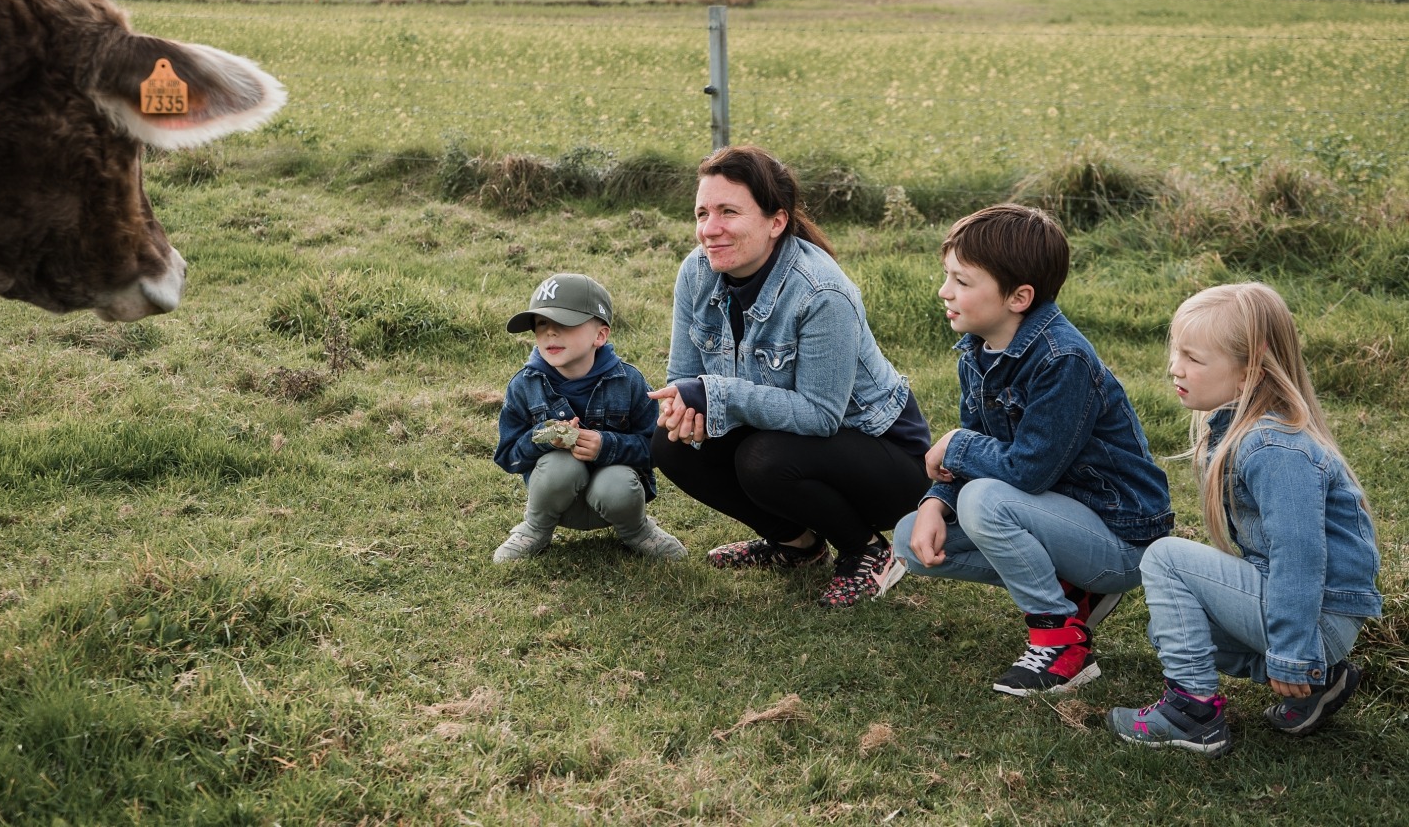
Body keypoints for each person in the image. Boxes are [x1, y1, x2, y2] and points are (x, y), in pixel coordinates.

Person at [893, 204, 1172, 694]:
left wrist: (957, 444)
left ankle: (1064, 642)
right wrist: (937, 501)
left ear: (1019, 297)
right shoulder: (978, 349)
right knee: (910, 539)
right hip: (1054, 518)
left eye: (961, 280)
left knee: (987, 500)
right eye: (946, 277)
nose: (944, 291)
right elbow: (982, 449)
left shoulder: (1063, 360)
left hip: (1119, 539)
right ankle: (1073, 590)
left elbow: (1026, 471)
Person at [648, 145, 933, 607]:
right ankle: (798, 546)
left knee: (761, 458)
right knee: (670, 443)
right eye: (702, 213)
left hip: (885, 459)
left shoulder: (821, 291)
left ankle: (869, 552)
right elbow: (684, 377)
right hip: (791, 442)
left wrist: (715, 393)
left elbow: (821, 416)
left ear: (776, 222)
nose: (709, 229)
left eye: (728, 212)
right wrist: (684, 407)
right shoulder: (696, 272)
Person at [1108, 283, 1381, 755]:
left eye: (1194, 357)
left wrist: (1295, 652)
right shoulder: (1246, 430)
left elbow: (1300, 555)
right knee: (1172, 628)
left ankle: (1192, 714)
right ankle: (1323, 682)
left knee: (1166, 559)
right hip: (1314, 613)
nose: (1176, 367)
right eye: (1177, 352)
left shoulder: (1273, 447)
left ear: (1249, 368)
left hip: (1320, 617)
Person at [493, 272, 686, 562]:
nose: (550, 333)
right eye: (541, 324)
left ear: (600, 335)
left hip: (617, 500)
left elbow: (655, 450)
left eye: (563, 323)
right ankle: (535, 529)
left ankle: (637, 531)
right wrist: (544, 437)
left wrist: (605, 446)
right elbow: (508, 456)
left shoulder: (629, 382)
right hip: (557, 503)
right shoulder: (524, 384)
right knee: (560, 466)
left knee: (617, 481)